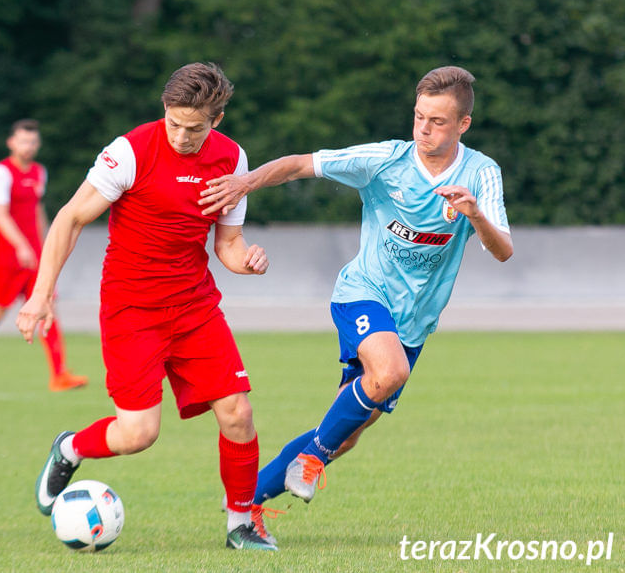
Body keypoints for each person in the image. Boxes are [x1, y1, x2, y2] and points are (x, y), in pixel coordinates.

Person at [200, 66, 513, 545]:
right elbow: (301, 164)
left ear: (463, 125)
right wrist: (244, 184)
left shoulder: (481, 173)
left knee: (347, 431)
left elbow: (503, 249)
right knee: (388, 374)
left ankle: (247, 501)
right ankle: (310, 461)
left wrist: (475, 214)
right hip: (362, 293)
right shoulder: (386, 159)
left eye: (438, 122)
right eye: (419, 117)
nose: (424, 129)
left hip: (414, 322)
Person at [16, 62, 277, 551]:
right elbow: (71, 219)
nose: (181, 135)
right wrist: (40, 295)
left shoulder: (232, 159)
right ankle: (71, 447)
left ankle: (241, 524)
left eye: (194, 128)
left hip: (195, 305)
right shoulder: (129, 151)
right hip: (132, 308)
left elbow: (229, 245)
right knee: (137, 434)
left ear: (216, 120)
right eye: (174, 122)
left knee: (238, 412)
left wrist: (249, 261)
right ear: (164, 109)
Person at [0, 119, 87, 392]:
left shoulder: (39, 172)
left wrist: (47, 243)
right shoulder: (0, 173)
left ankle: (59, 374)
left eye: (33, 142)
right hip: (8, 256)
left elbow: (37, 210)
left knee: (48, 306)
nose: (29, 147)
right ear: (11, 143)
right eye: (23, 141)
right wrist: (21, 246)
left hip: (35, 255)